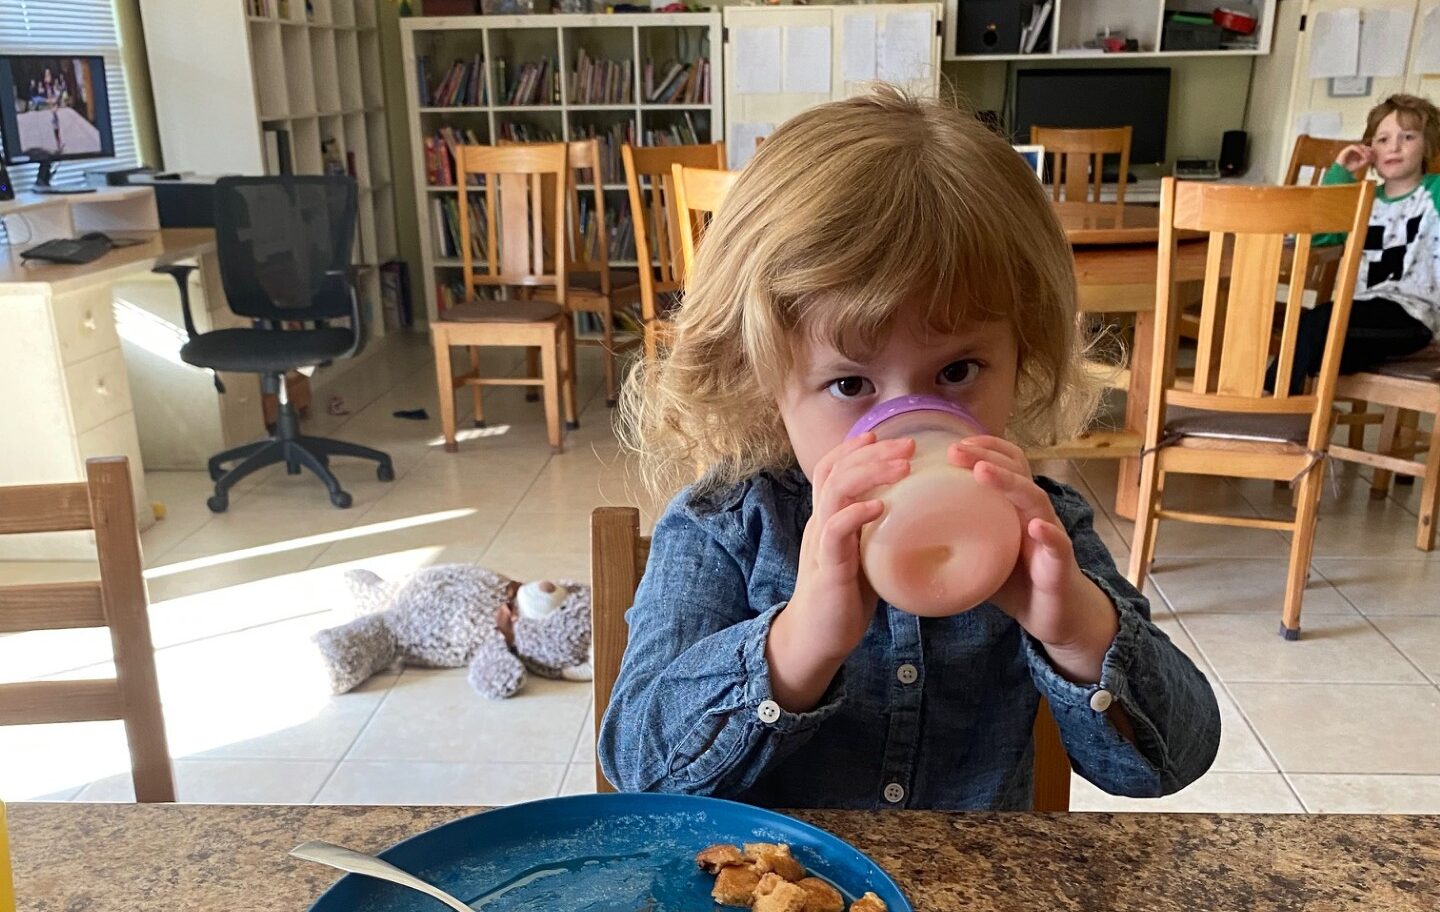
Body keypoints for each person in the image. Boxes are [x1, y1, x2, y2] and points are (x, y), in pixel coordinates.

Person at [598, 88, 1220, 810]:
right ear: (763, 378)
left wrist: (1079, 630)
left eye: (956, 372)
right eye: (850, 382)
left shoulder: (1043, 530)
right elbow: (637, 767)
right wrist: (797, 645)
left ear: (1023, 358)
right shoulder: (727, 527)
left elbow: (1176, 762)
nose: (906, 420)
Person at [1269, 94, 1440, 395]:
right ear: (1371, 149)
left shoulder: (1434, 193)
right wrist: (1341, 173)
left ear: (1427, 145)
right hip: (1363, 315)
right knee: (1305, 327)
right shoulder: (1362, 199)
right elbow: (1319, 233)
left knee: (1318, 325)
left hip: (1415, 317)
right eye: (1383, 139)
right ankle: (1288, 407)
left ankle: (1272, 403)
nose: (1394, 147)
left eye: (1408, 137)